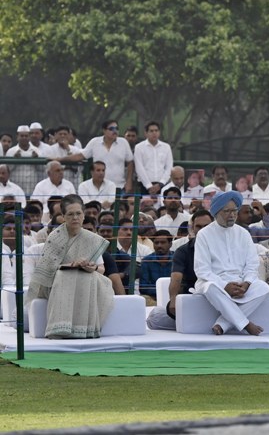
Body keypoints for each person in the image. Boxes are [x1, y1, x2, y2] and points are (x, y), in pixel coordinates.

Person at [25, 194, 114, 339]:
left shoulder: (91, 239)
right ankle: (60, 328)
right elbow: (46, 270)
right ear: (64, 216)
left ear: (84, 216)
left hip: (86, 278)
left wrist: (91, 268)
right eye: (70, 214)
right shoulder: (55, 237)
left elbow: (101, 270)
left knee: (89, 277)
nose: (75, 218)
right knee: (65, 275)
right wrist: (69, 265)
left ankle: (85, 330)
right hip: (55, 282)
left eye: (78, 213)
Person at [193, 190, 269, 335]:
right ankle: (245, 324)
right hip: (216, 282)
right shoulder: (204, 234)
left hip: (240, 283)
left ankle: (223, 323)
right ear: (216, 212)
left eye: (234, 211)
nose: (232, 215)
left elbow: (252, 264)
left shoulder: (243, 233)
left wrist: (247, 283)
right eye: (227, 211)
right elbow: (202, 270)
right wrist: (225, 285)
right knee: (209, 287)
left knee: (263, 287)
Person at [146, 209, 213, 331]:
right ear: (192, 228)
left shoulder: (223, 247)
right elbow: (176, 278)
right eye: (198, 226)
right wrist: (173, 300)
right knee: (155, 318)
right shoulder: (183, 251)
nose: (202, 230)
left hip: (220, 295)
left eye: (206, 226)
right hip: (193, 297)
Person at [60, 120, 134, 193]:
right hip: (98, 187)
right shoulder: (95, 142)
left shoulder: (123, 142)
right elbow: (80, 156)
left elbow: (130, 162)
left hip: (119, 186)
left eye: (117, 129)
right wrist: (58, 159)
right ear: (104, 130)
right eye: (111, 129)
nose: (115, 131)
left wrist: (129, 181)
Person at [133, 121, 173, 200]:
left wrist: (161, 184)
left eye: (156, 130)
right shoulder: (139, 147)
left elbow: (169, 167)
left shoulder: (166, 147)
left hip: (163, 185)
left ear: (159, 132)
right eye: (151, 131)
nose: (154, 133)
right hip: (144, 185)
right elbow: (139, 168)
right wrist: (149, 186)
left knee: (163, 208)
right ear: (146, 133)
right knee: (145, 209)